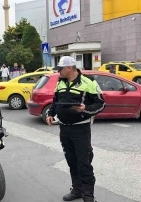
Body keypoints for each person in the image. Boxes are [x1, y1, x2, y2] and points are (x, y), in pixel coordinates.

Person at [46, 56, 105, 202]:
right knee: (71, 161)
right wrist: (50, 113)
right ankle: (77, 190)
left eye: (60, 69)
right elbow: (55, 101)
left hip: (81, 130)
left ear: (69, 68)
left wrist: (85, 109)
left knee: (84, 163)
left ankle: (88, 196)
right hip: (64, 129)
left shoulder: (88, 82)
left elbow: (101, 104)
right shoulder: (60, 81)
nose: (58, 71)